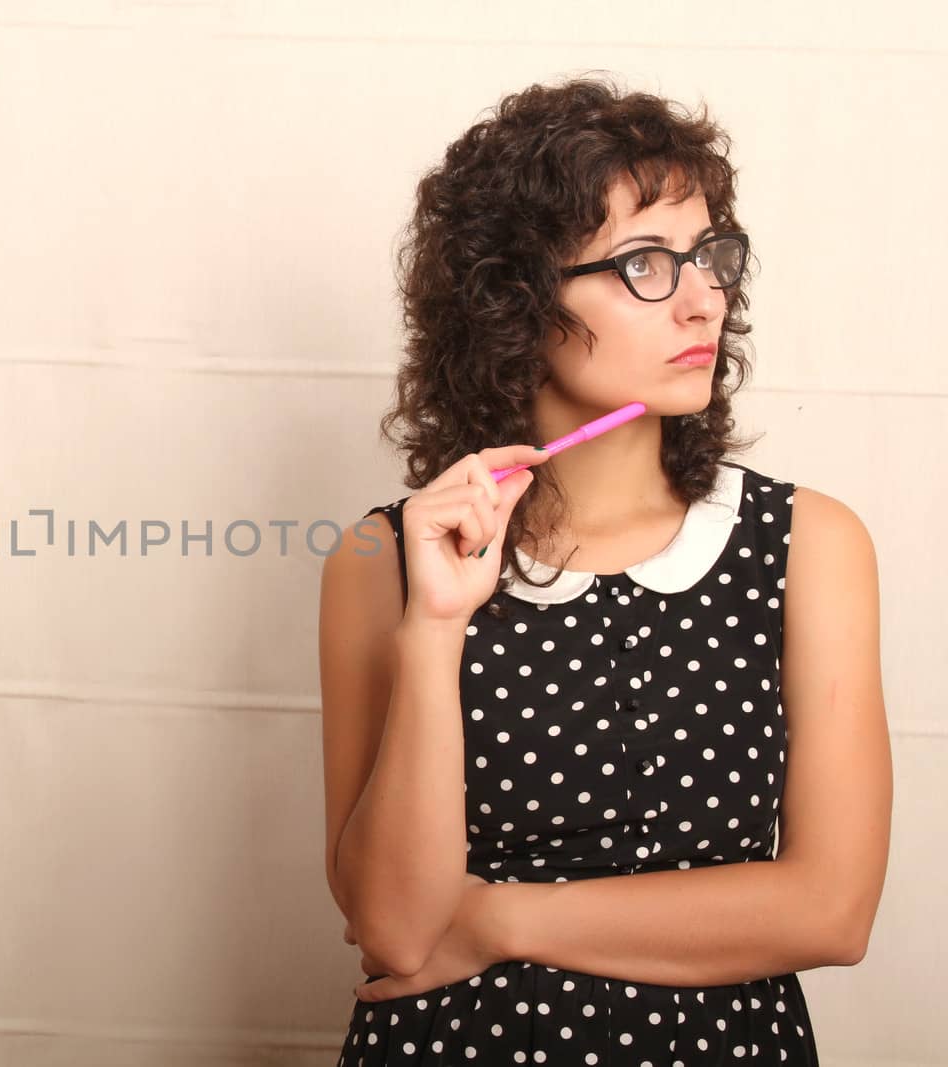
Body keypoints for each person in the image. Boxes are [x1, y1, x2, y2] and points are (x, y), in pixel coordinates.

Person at [318, 76, 891, 1065]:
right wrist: (434, 630)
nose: (703, 295)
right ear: (513, 301)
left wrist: (499, 918)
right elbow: (397, 928)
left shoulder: (809, 544)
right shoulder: (385, 559)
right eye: (643, 265)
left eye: (708, 255)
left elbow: (831, 909)